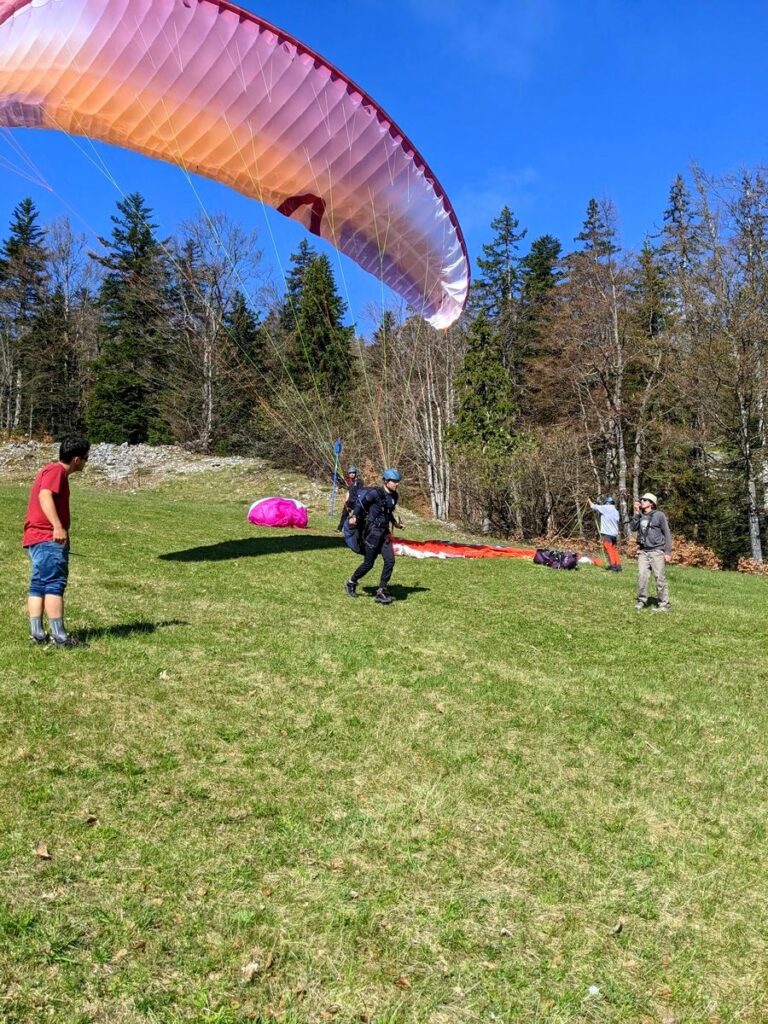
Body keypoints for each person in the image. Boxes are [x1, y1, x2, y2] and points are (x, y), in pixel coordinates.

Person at [23, 437, 90, 646]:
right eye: (86, 458)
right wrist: (58, 527)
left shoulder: (50, 470)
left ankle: (37, 634)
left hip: (36, 538)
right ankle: (60, 636)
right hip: (47, 538)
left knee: (38, 585)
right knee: (54, 584)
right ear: (77, 459)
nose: (87, 462)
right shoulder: (57, 471)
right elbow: (45, 496)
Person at [344, 468, 402, 604]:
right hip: (372, 532)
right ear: (386, 481)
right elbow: (360, 504)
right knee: (369, 563)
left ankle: (381, 591)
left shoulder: (394, 496)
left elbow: (388, 512)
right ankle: (351, 582)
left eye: (398, 481)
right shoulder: (374, 493)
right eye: (394, 481)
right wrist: (354, 516)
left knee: (390, 561)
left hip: (384, 533)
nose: (396, 484)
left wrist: (395, 523)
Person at [630, 492, 672, 612]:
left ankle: (664, 604)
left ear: (651, 503)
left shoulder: (659, 515)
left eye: (645, 500)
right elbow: (633, 527)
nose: (642, 501)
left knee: (659, 578)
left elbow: (667, 533)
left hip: (657, 551)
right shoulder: (640, 515)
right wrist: (637, 513)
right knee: (642, 576)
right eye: (641, 499)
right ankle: (642, 600)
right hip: (643, 551)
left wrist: (668, 551)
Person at [588, 495, 622, 571]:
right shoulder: (616, 511)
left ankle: (613, 567)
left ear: (606, 503)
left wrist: (588, 500)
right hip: (614, 535)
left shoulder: (605, 508)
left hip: (607, 534)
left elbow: (592, 506)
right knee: (614, 550)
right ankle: (618, 566)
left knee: (609, 550)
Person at [336, 466, 362, 532]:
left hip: (357, 501)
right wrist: (346, 501)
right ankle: (339, 528)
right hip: (349, 501)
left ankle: (357, 529)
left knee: (356, 516)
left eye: (353, 473)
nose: (352, 474)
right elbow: (348, 491)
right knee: (344, 514)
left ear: (355, 473)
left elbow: (361, 491)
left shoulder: (359, 481)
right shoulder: (349, 482)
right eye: (350, 473)